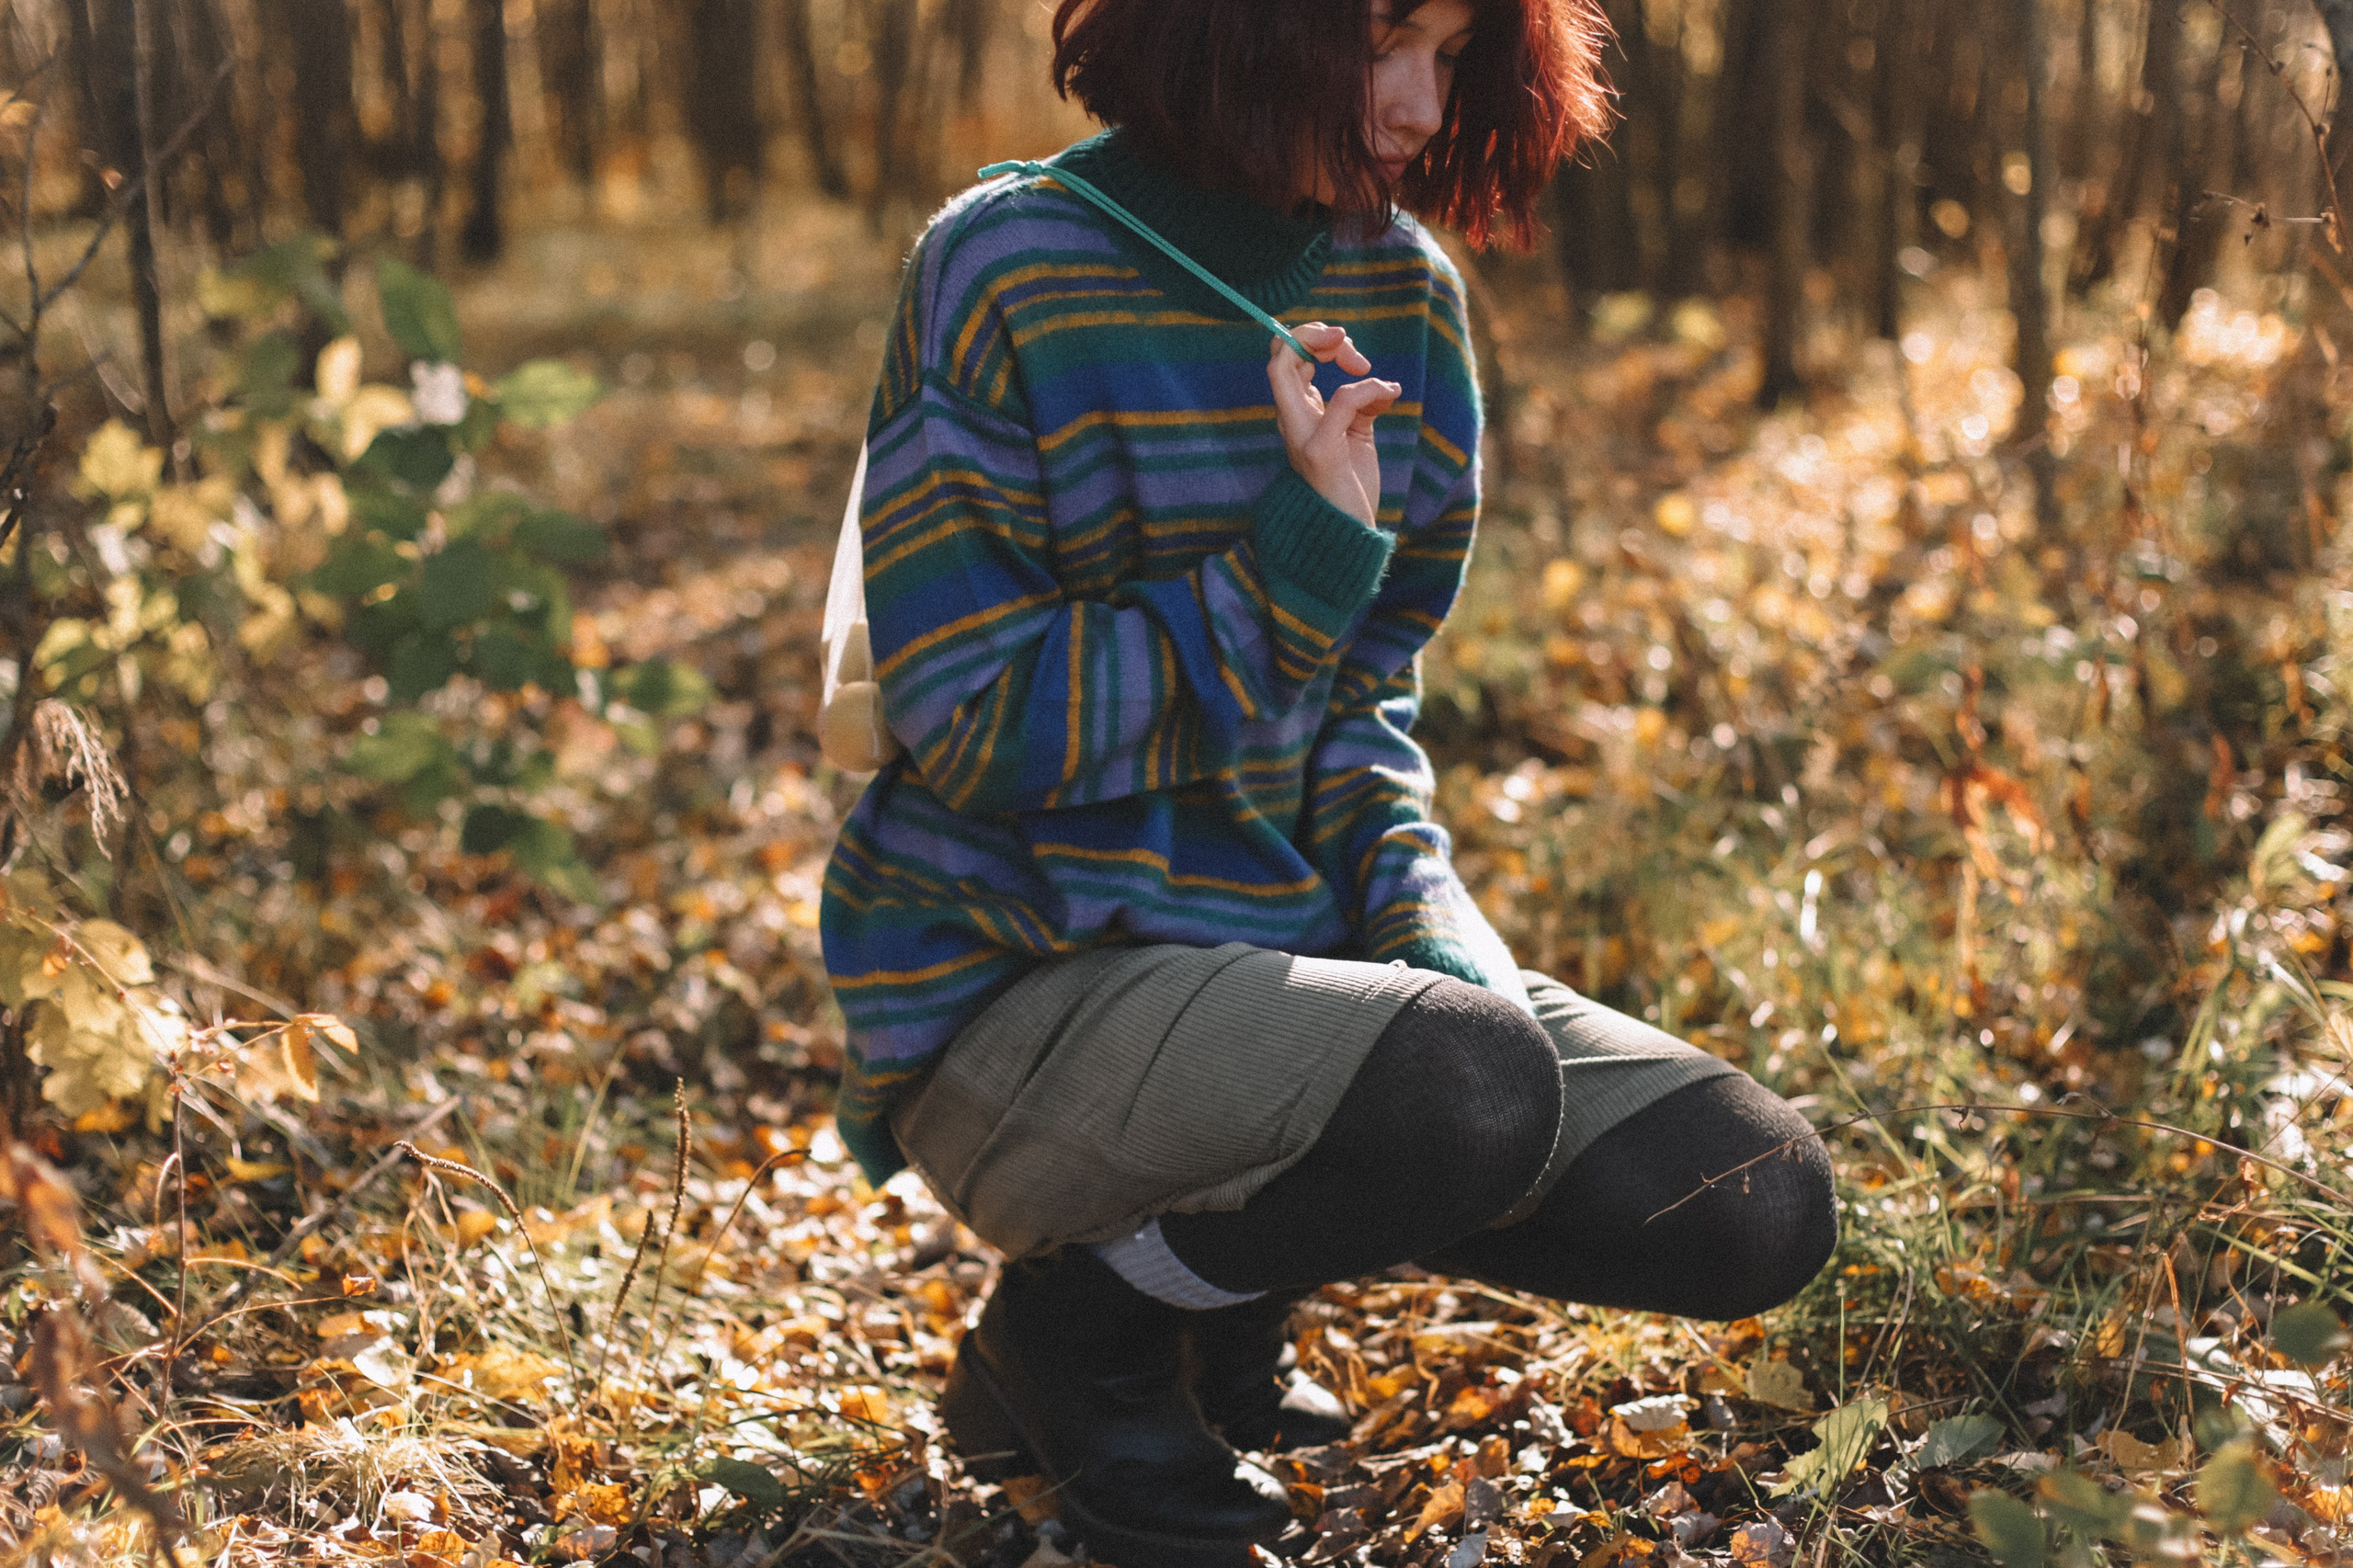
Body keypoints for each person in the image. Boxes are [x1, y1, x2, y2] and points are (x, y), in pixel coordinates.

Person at [819, 1, 1838, 1562]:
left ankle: (1216, 1287)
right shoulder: (1007, 266)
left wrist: (1430, 935)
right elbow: (975, 723)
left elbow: (1363, 708)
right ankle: (1082, 1332)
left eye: (1454, 48)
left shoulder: (1403, 293)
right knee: (1463, 1087)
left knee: (1754, 1191)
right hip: (1019, 981)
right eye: (1379, 38)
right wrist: (1282, 577)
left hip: (1294, 969)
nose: (1421, 104)